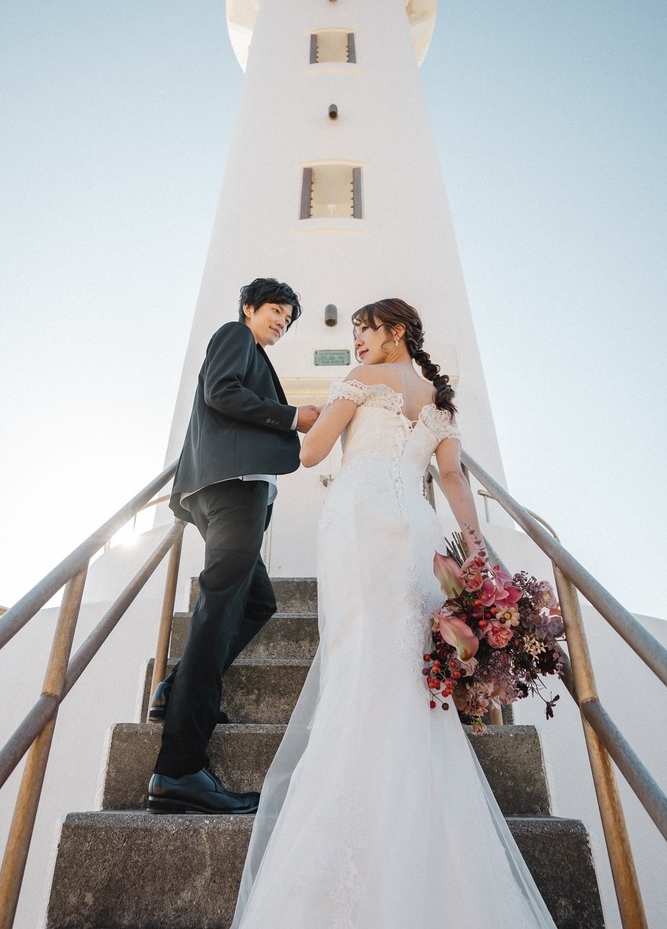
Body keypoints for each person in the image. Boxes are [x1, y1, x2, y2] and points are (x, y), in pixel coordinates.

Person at [231, 299, 556, 927]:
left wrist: (280, 419)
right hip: (418, 530)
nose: (356, 342)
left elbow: (313, 453)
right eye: (352, 332)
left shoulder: (365, 382)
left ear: (395, 331)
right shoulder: (438, 397)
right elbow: (455, 478)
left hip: (360, 518)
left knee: (364, 655)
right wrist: (477, 552)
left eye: (364, 330)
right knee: (410, 662)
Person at [146, 278, 320, 816]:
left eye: (287, 320)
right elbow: (220, 392)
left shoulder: (255, 352)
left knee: (258, 603)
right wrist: (293, 417)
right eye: (275, 311)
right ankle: (177, 770)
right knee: (217, 610)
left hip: (236, 492)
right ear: (249, 308)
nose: (280, 323)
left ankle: (177, 689)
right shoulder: (235, 336)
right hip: (232, 488)